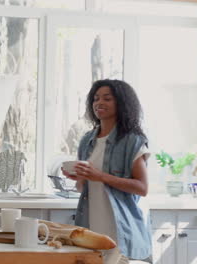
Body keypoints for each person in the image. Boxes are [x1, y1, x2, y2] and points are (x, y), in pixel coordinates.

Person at [62, 79, 152, 264]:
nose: (99, 103)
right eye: (96, 98)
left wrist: (100, 176)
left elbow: (142, 188)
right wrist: (79, 177)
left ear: (121, 103)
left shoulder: (132, 141)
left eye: (107, 98)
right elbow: (82, 188)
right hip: (89, 226)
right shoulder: (87, 140)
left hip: (119, 228)